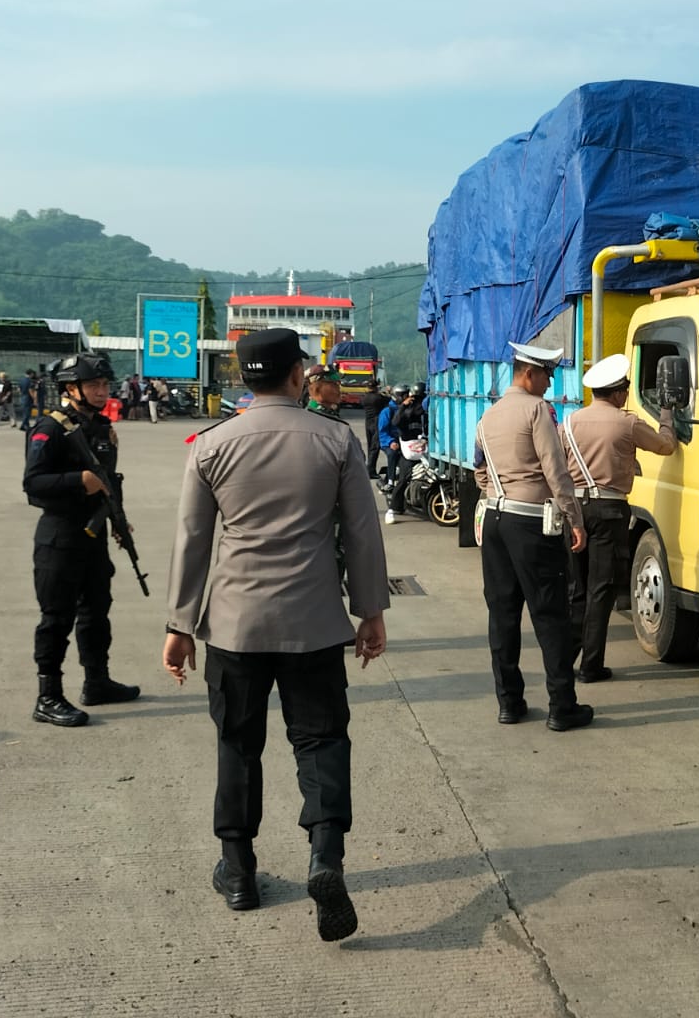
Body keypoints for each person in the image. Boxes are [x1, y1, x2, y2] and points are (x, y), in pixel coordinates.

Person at [163, 328, 388, 941]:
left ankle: (238, 872)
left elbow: (192, 541)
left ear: (243, 379)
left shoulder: (211, 446)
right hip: (314, 623)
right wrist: (370, 611)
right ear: (298, 376)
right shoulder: (336, 440)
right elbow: (363, 533)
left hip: (234, 625)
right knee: (321, 741)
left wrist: (181, 625)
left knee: (238, 743)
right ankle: (325, 857)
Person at [474, 341, 590, 731]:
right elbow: (556, 472)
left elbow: (480, 472)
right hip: (531, 523)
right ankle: (562, 706)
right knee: (550, 614)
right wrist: (574, 519)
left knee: (502, 614)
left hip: (495, 518)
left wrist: (497, 493)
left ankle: (509, 702)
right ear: (529, 373)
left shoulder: (487, 417)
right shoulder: (537, 410)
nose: (550, 381)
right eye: (547, 374)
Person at [22, 353, 142, 728]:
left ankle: (97, 681)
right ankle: (48, 696)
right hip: (60, 538)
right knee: (57, 618)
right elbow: (33, 485)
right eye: (94, 386)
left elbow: (109, 480)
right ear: (70, 389)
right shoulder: (51, 428)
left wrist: (119, 521)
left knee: (96, 610)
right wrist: (77, 481)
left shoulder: (101, 427)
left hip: (94, 536)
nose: (102, 391)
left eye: (105, 385)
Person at [562, 353, 679, 682]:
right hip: (609, 510)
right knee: (601, 590)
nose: (627, 394)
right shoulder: (627, 423)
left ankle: (564, 660)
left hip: (575, 509)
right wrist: (667, 415)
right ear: (616, 393)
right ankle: (591, 665)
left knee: (577, 589)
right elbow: (665, 447)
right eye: (625, 389)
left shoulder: (569, 423)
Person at [377, 386, 410, 521]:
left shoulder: (407, 408)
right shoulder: (387, 411)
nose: (407, 397)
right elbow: (382, 430)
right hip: (390, 442)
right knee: (392, 454)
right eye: (404, 395)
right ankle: (390, 480)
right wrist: (391, 441)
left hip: (405, 440)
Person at [360, 381, 388, 480]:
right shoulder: (378, 397)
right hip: (376, 422)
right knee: (375, 447)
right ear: (376, 387)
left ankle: (369, 468)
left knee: (370, 446)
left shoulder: (364, 398)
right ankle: (371, 471)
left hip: (368, 422)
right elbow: (388, 401)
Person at [19, 369, 39, 438]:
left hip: (23, 397)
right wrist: (34, 398)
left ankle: (26, 424)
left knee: (25, 411)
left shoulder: (22, 380)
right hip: (28, 398)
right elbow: (30, 390)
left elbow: (19, 389)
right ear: (30, 374)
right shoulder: (29, 381)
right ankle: (24, 425)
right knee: (27, 412)